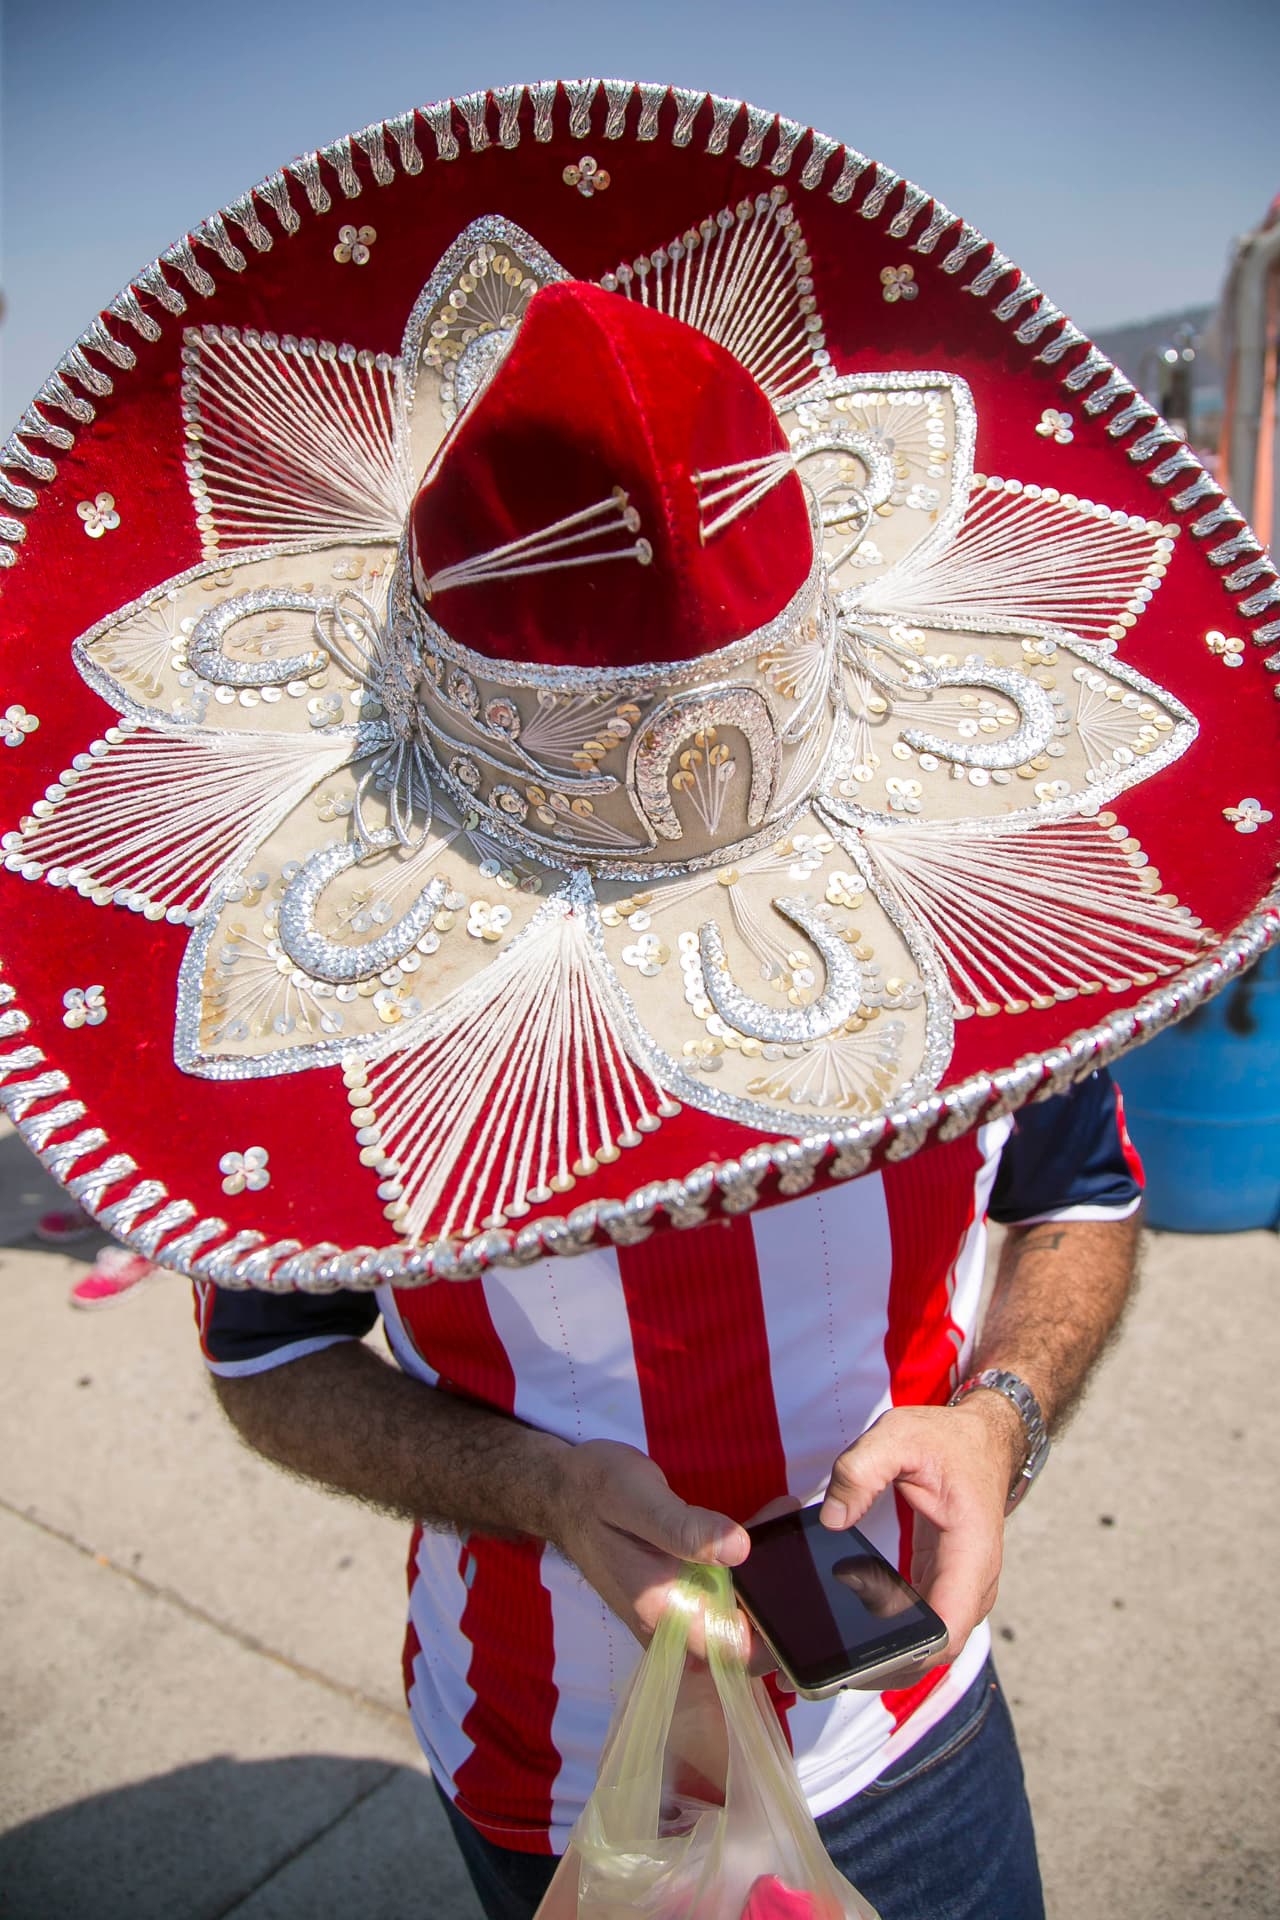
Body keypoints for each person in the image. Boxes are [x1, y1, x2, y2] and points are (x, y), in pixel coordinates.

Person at [199, 1067, 1141, 1920]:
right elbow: (269, 1351)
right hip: (557, 1756)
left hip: (909, 1721)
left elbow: (1080, 1195)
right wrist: (545, 1492)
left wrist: (1002, 1417)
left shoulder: (968, 897)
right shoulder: (341, 974)